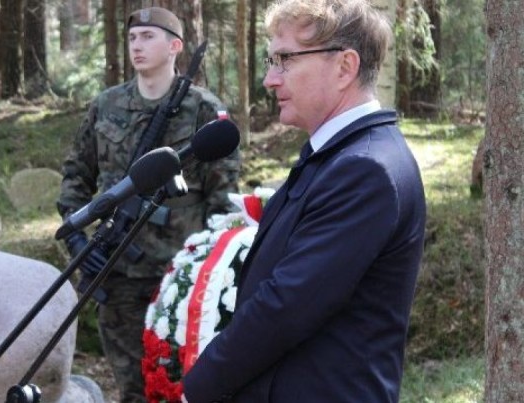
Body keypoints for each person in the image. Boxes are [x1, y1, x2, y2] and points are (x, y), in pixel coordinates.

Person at [182, 0, 426, 402]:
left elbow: (287, 305)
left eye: (285, 60)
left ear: (345, 67)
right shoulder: (338, 154)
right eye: (270, 60)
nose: (270, 79)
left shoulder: (365, 169)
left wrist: (199, 386)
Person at [56, 7, 240, 403]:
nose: (137, 46)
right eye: (132, 38)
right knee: (133, 389)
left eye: (148, 37)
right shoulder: (106, 105)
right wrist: (79, 246)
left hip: (181, 276)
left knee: (184, 384)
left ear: (175, 47)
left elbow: (222, 199)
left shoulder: (203, 110)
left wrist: (206, 268)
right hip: (115, 273)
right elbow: (75, 179)